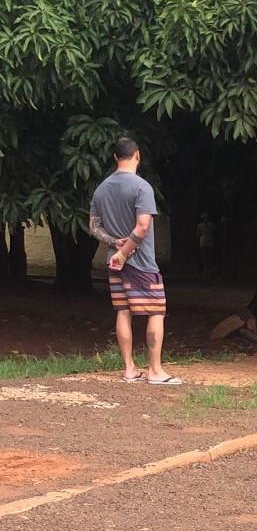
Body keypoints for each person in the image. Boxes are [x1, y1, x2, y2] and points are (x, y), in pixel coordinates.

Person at [88, 137, 181, 385]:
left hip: (114, 264)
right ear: (137, 155)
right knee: (156, 311)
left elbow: (94, 227)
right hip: (140, 263)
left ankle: (129, 369)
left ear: (115, 158)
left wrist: (114, 245)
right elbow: (142, 228)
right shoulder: (142, 188)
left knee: (123, 311)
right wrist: (124, 252)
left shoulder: (101, 189)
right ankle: (155, 371)